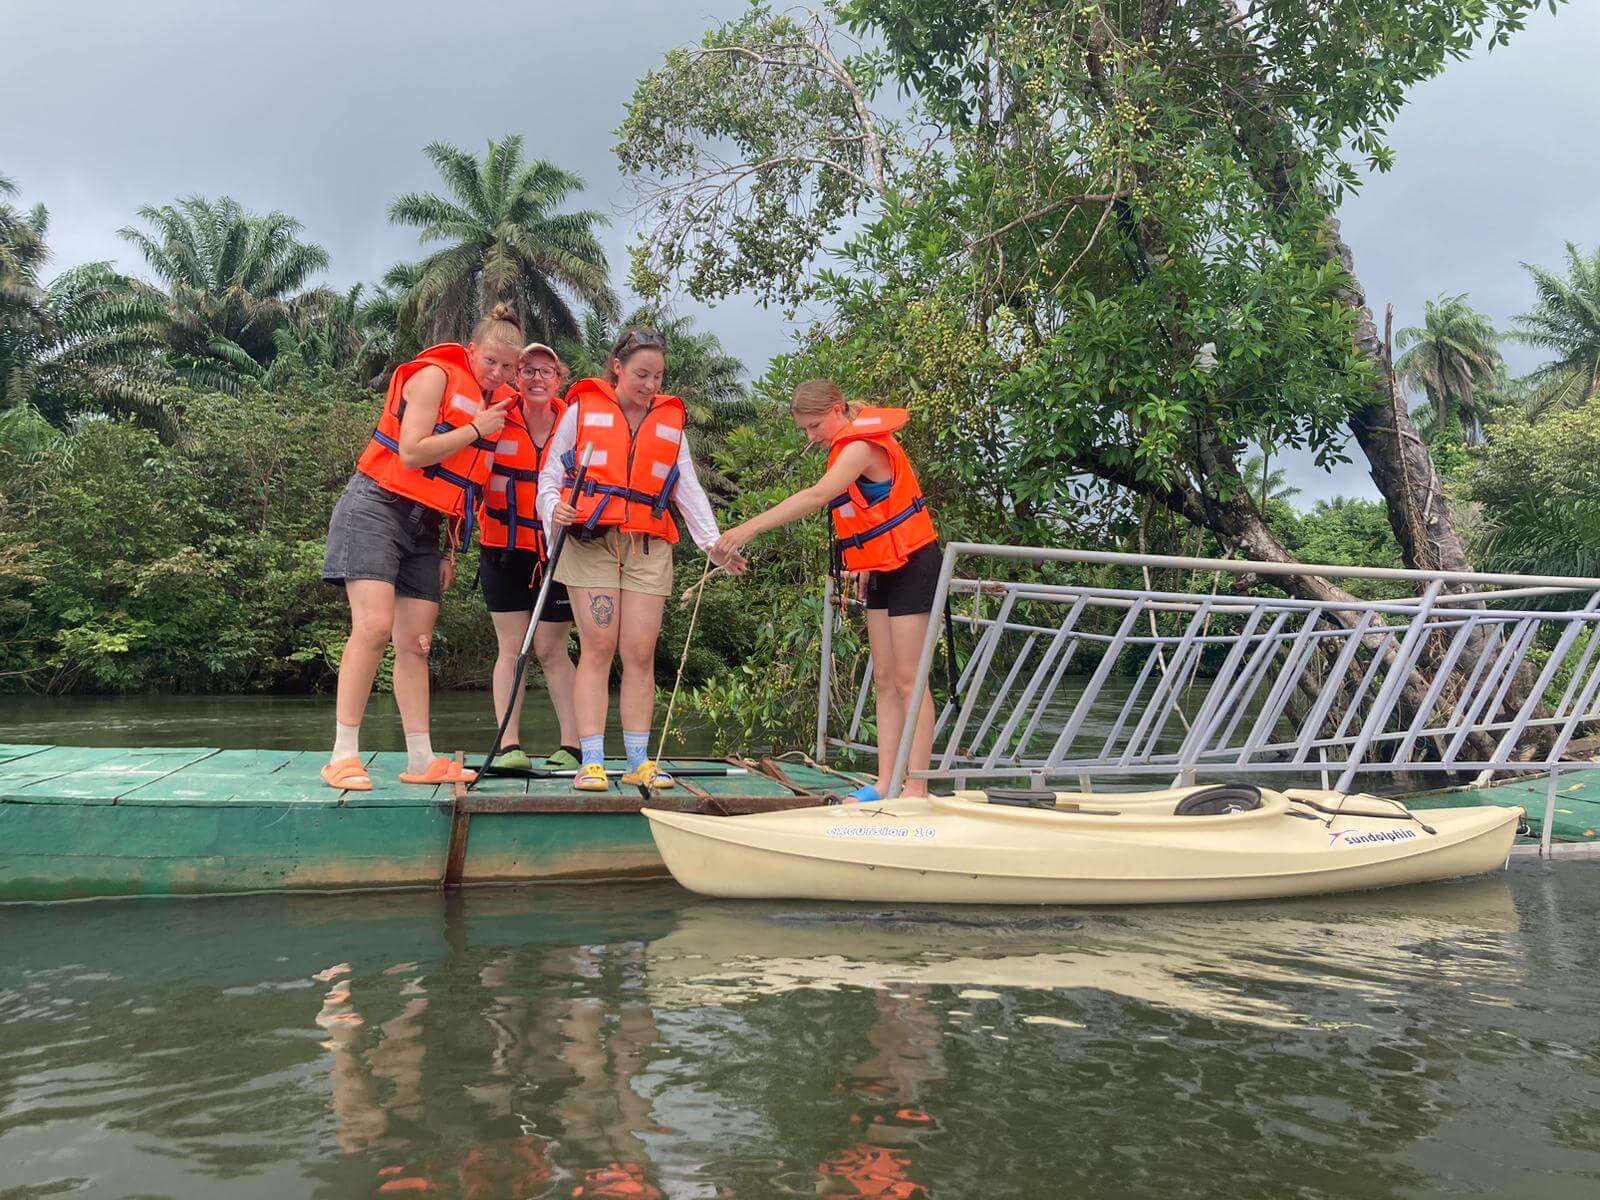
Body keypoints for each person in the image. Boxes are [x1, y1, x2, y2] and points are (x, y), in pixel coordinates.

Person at [320, 304, 523, 791]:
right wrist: (476, 429)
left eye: (507, 367)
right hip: (375, 505)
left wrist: (451, 553)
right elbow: (411, 452)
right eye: (490, 361)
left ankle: (421, 757)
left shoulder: (495, 404)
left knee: (417, 643)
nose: (497, 373)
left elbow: (463, 487)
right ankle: (343, 755)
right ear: (472, 352)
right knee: (372, 627)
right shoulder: (435, 378)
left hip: (426, 528)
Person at [537, 326, 745, 793]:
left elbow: (687, 488)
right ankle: (590, 760)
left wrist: (714, 546)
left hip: (648, 547)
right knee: (598, 647)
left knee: (640, 652)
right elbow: (549, 474)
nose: (651, 385)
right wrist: (554, 509)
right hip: (592, 542)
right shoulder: (580, 411)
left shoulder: (670, 423)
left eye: (658, 376)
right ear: (617, 367)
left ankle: (637, 759)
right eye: (641, 374)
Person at [711, 379, 939, 802]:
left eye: (815, 426)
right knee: (885, 680)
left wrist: (747, 529)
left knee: (911, 680)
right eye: (805, 430)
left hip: (914, 564)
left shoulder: (860, 445)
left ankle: (918, 788)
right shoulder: (844, 442)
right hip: (881, 568)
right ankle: (886, 784)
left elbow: (817, 496)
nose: (811, 437)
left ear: (837, 409)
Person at [476, 341, 580, 772]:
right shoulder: (497, 418)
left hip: (557, 554)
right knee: (511, 648)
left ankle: (573, 746)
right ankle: (509, 747)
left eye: (547, 371)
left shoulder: (574, 425)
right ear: (517, 377)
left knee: (552, 649)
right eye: (529, 371)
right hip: (503, 549)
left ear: (560, 380)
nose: (537, 378)